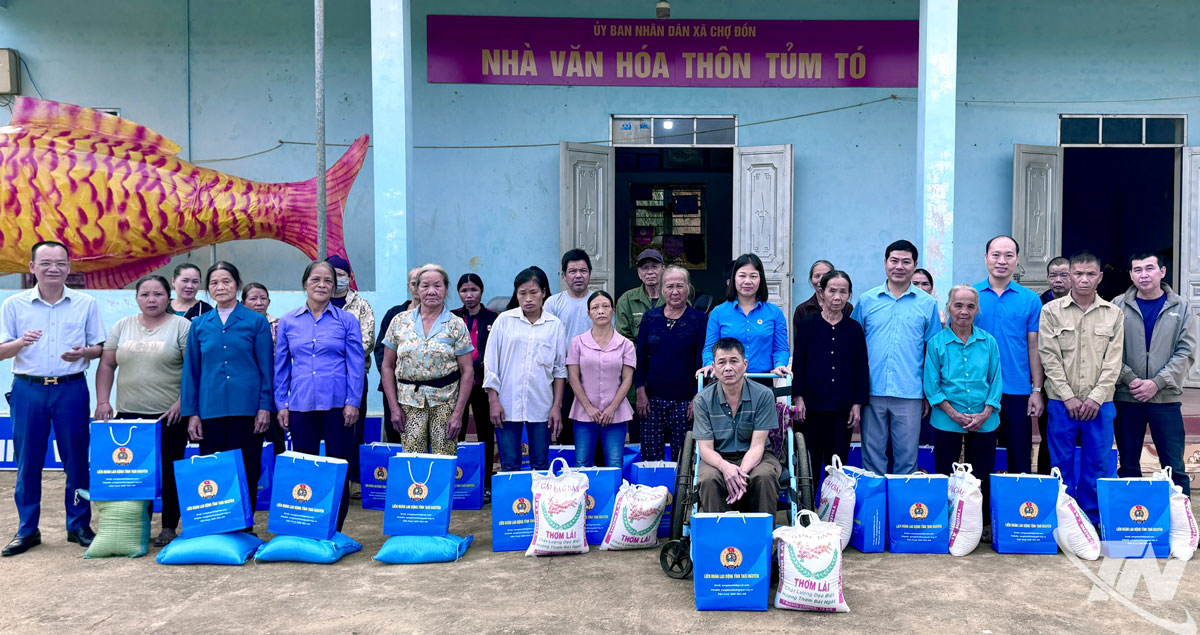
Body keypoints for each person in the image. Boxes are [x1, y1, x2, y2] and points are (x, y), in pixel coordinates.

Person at [0, 241, 105, 556]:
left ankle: (79, 526)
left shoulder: (85, 303)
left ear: (69, 267)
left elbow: (99, 348)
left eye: (60, 263)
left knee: (76, 461)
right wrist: (20, 342)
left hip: (71, 388)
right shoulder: (14, 304)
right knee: (27, 461)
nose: (53, 269)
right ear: (32, 267)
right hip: (28, 389)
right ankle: (27, 529)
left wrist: (82, 353)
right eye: (45, 263)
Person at [93, 275, 191, 547]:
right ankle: (137, 526)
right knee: (134, 474)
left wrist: (182, 402)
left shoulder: (182, 326)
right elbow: (107, 365)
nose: (151, 299)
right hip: (129, 416)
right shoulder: (123, 326)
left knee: (171, 471)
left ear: (168, 297)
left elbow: (193, 369)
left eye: (158, 294)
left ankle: (169, 526)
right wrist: (103, 402)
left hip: (169, 415)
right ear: (136, 298)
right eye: (145, 294)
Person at [181, 261, 273, 531]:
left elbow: (266, 367)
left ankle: (244, 527)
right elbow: (191, 372)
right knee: (215, 470)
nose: (220, 287)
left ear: (237, 285)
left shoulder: (256, 322)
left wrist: (265, 407)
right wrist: (192, 413)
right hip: (210, 410)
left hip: (248, 410)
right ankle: (218, 524)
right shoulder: (199, 324)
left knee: (248, 468)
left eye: (226, 282)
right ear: (208, 289)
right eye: (214, 283)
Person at [275, 261, 365, 531]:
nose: (323, 285)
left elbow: (356, 364)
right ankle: (308, 523)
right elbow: (281, 367)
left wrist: (353, 402)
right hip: (301, 404)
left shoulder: (346, 320)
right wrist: (282, 404)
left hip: (338, 405)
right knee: (306, 466)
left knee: (339, 466)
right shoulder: (288, 322)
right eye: (316, 279)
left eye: (328, 280)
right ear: (305, 284)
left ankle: (335, 527)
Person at [1039, 251, 1124, 524]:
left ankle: (1091, 519)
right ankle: (1064, 520)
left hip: (1100, 405)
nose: (1084, 280)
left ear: (1099, 277)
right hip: (1062, 404)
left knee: (1096, 464)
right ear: (1070, 275)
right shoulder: (1050, 311)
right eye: (1078, 274)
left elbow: (1114, 361)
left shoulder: (1114, 314)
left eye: (1090, 274)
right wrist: (1068, 397)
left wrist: (1096, 398)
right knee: (1060, 464)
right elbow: (1049, 357)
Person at [851, 239, 941, 476]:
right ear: (885, 263)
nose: (899, 266)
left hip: (909, 392)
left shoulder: (927, 304)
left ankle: (902, 512)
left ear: (915, 265)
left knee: (906, 460)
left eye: (906, 261)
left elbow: (932, 352)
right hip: (872, 392)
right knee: (871, 460)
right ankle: (875, 512)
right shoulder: (866, 300)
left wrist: (927, 393)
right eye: (894, 260)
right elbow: (854, 346)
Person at [1114, 252, 1197, 494]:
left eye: (1149, 268)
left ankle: (1181, 525)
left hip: (1166, 399)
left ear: (1162, 272)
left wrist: (1157, 383)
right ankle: (1131, 522)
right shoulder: (1117, 305)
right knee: (1128, 466)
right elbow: (1109, 350)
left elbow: (1186, 351)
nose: (1143, 274)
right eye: (1137, 269)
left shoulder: (1181, 307)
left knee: (1174, 468)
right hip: (1127, 397)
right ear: (1130, 275)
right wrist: (1131, 379)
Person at [381, 264, 474, 456]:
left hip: (446, 404)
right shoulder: (399, 321)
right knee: (414, 460)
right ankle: (417, 489)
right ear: (416, 289)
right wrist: (394, 408)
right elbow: (387, 366)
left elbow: (467, 371)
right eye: (425, 286)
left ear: (446, 289)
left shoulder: (456, 324)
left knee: (444, 459)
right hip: (408, 403)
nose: (431, 291)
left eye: (437, 286)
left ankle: (442, 488)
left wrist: (458, 414)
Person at [924, 285, 1003, 511]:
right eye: (958, 305)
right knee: (945, 474)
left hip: (984, 420)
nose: (964, 311)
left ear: (977, 310)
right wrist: (954, 414)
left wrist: (986, 412)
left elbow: (996, 380)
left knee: (981, 475)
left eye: (970, 306)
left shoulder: (988, 342)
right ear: (948, 307)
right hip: (946, 419)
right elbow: (931, 385)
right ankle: (945, 520)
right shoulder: (936, 343)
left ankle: (981, 522)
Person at [972, 235, 1045, 475]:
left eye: (1008, 255)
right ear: (986, 258)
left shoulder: (1030, 299)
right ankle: (979, 512)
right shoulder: (971, 297)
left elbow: (1034, 347)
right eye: (996, 255)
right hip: (977, 389)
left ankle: (1018, 510)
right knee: (979, 460)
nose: (1001, 261)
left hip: (1017, 390)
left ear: (1017, 260)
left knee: (1019, 458)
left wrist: (1036, 390)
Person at [484, 266, 567, 472]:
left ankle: (537, 504)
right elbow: (491, 363)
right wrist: (493, 400)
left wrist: (556, 406)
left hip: (542, 405)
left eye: (534, 292)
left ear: (544, 293)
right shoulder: (504, 321)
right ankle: (512, 503)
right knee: (510, 463)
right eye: (522, 293)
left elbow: (559, 371)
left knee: (540, 463)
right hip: (507, 404)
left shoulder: (554, 325)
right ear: (516, 294)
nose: (528, 298)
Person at [791, 270, 868, 476]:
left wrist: (857, 404)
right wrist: (798, 397)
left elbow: (861, 367)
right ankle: (807, 507)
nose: (837, 297)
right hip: (811, 408)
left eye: (843, 292)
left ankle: (833, 507)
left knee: (837, 464)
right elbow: (798, 364)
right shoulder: (808, 325)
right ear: (821, 292)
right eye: (832, 291)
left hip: (842, 409)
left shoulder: (854, 329)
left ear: (849, 295)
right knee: (809, 463)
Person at [692, 338, 781, 514]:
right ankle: (720, 538)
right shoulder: (702, 400)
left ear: (745, 364)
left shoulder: (763, 395)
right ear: (714, 368)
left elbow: (758, 446)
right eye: (721, 362)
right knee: (708, 479)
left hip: (757, 456)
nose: (728, 368)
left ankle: (761, 536)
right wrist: (726, 468)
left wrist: (738, 474)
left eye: (734, 361)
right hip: (717, 457)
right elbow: (706, 449)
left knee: (764, 476)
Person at [635, 266, 708, 462]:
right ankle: (653, 493)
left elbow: (703, 360)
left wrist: (697, 398)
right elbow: (640, 357)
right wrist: (640, 392)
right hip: (652, 400)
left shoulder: (699, 319)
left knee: (684, 458)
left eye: (680, 286)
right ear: (662, 289)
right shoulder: (650, 318)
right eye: (669, 286)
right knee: (650, 458)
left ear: (688, 289)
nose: (675, 292)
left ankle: (681, 494)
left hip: (685, 401)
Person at [567, 291, 636, 468]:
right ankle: (585, 497)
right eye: (595, 307)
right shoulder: (577, 342)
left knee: (614, 463)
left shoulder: (625, 344)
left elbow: (627, 378)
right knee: (582, 462)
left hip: (616, 414)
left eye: (606, 306)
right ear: (588, 313)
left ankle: (613, 496)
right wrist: (588, 407)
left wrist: (612, 408)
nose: (601, 311)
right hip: (583, 413)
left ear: (613, 311)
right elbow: (573, 376)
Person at [326, 255, 375, 499]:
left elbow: (366, 340)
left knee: (354, 428)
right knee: (327, 427)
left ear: (349, 276)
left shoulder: (361, 305)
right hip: (324, 379)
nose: (337, 279)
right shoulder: (317, 303)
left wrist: (334, 352)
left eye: (341, 273)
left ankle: (354, 479)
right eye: (332, 273)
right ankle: (330, 480)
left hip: (354, 377)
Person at [702, 252, 790, 378]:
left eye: (753, 276)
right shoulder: (718, 312)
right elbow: (710, 348)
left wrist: (780, 364)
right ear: (733, 279)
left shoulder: (775, 313)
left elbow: (780, 349)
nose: (747, 281)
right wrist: (710, 364)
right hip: (727, 380)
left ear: (761, 279)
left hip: (763, 381)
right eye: (742, 276)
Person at [451, 273, 499, 496]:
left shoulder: (493, 318)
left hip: (482, 383)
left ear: (481, 291)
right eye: (464, 291)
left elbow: (496, 350)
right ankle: (456, 480)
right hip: (457, 385)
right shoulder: (451, 317)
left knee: (485, 432)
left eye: (473, 290)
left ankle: (487, 482)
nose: (469, 295)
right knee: (455, 431)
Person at [616, 248, 667, 442]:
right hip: (637, 375)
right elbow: (623, 340)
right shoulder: (627, 300)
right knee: (639, 436)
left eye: (654, 266)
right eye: (644, 268)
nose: (650, 272)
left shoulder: (674, 294)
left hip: (668, 375)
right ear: (639, 273)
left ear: (663, 269)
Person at [545, 248, 594, 446]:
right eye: (572, 271)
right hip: (562, 378)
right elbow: (547, 342)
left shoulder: (599, 302)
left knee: (592, 428)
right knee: (565, 429)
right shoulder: (553, 303)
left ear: (590, 273)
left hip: (593, 377)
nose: (578, 275)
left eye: (583, 270)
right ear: (564, 275)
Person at [374, 266, 421, 443]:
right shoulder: (394, 315)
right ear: (409, 286)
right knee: (395, 434)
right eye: (414, 283)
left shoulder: (440, 317)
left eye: (422, 283)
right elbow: (380, 349)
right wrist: (392, 375)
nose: (418, 288)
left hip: (425, 391)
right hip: (394, 387)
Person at [1038, 256, 1073, 472]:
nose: (1058, 280)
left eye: (1064, 275)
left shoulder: (1086, 303)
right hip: (1048, 385)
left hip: (1080, 385)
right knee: (1049, 438)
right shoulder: (1038, 304)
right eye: (1053, 275)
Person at [792, 259, 852, 330]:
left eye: (826, 275)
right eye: (817, 276)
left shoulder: (846, 307)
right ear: (811, 280)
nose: (821, 280)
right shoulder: (802, 310)